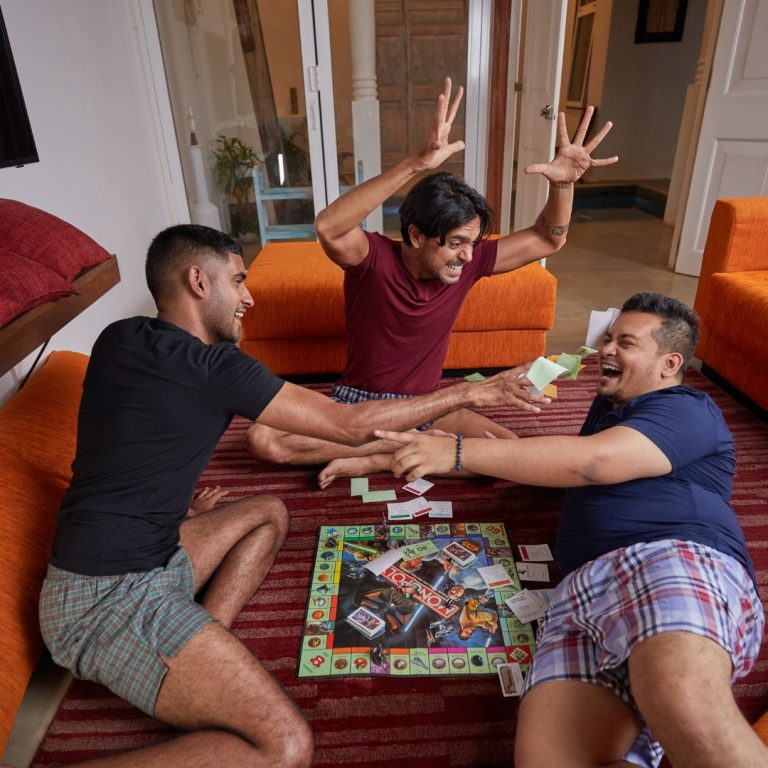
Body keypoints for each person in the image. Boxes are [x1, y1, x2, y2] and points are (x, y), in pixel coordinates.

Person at [37, 224, 551, 768]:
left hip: (150, 549)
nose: (248, 298)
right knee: (285, 747)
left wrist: (178, 511)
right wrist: (472, 391)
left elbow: (129, 436)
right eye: (238, 281)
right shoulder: (215, 368)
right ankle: (181, 644)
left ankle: (199, 638)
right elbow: (350, 426)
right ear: (198, 282)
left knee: (268, 512)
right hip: (105, 600)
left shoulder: (118, 337)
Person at [378, 293, 767, 768]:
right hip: (577, 590)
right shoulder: (610, 409)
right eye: (608, 338)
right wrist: (430, 450)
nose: (606, 349)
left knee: (685, 705)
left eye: (626, 342)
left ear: (670, 364)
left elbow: (592, 463)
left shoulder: (688, 407)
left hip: (670, 556)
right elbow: (558, 465)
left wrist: (458, 452)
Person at [246, 77, 619, 488]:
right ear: (415, 235)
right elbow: (328, 227)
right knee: (265, 440)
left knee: (510, 452)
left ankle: (383, 455)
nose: (468, 256)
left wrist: (563, 184)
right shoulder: (372, 259)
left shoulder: (469, 262)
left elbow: (549, 239)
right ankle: (409, 449)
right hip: (361, 407)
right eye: (456, 243)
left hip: (431, 405)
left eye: (473, 243)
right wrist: (415, 164)